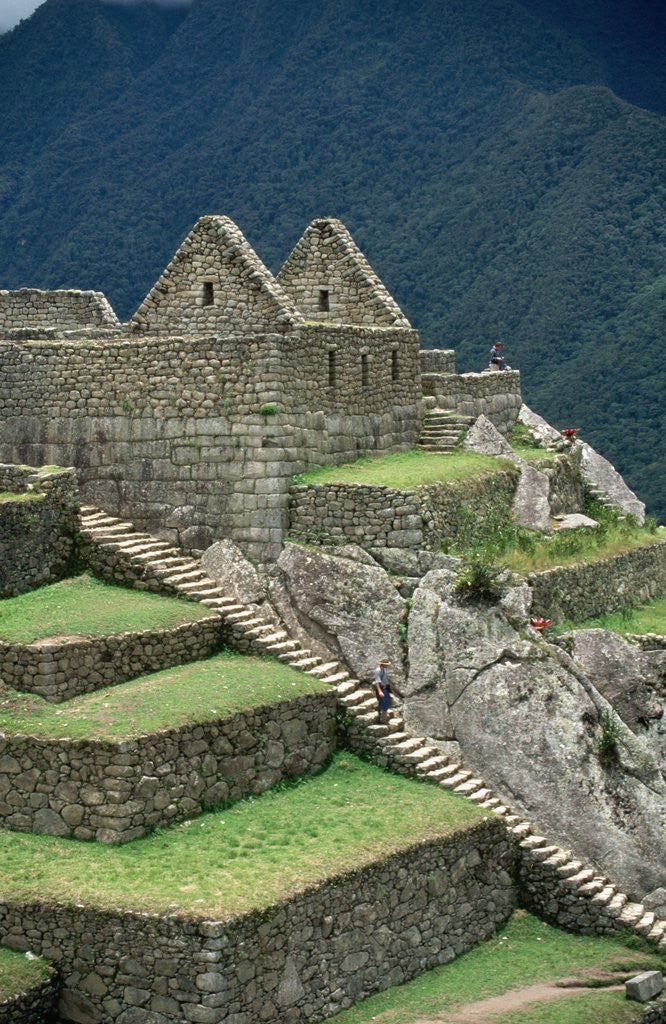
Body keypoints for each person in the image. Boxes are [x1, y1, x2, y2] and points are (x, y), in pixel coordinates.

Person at [374, 657, 392, 724]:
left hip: (384, 687)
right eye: (386, 664)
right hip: (380, 688)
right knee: (384, 703)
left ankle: (382, 717)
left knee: (386, 702)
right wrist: (380, 691)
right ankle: (382, 720)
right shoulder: (378, 670)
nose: (387, 666)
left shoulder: (384, 669)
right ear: (382, 664)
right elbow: (377, 682)